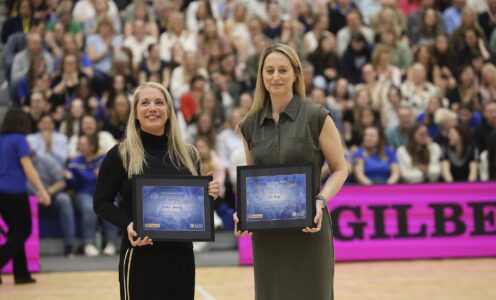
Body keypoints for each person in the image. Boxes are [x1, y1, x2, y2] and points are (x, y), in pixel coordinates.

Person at [235, 44, 348, 300]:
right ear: (261, 76)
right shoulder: (249, 124)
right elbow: (252, 179)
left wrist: (320, 202)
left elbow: (340, 169)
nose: (275, 77)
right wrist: (242, 212)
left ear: (296, 74)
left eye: (283, 70)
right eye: (270, 70)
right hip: (268, 235)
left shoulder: (316, 116)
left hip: (309, 229)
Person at [93, 82, 219, 299]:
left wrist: (209, 195)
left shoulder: (189, 154)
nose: (152, 108)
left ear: (169, 111)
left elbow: (193, 207)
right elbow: (101, 202)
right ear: (135, 113)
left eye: (159, 103)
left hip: (181, 256)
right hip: (141, 253)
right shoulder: (120, 154)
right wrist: (128, 225)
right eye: (145, 103)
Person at [0, 107, 51, 284]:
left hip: (1, 194)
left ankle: (21, 274)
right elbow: (28, 167)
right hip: (14, 192)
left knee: (16, 232)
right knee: (24, 230)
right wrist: (42, 190)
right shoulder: (20, 140)